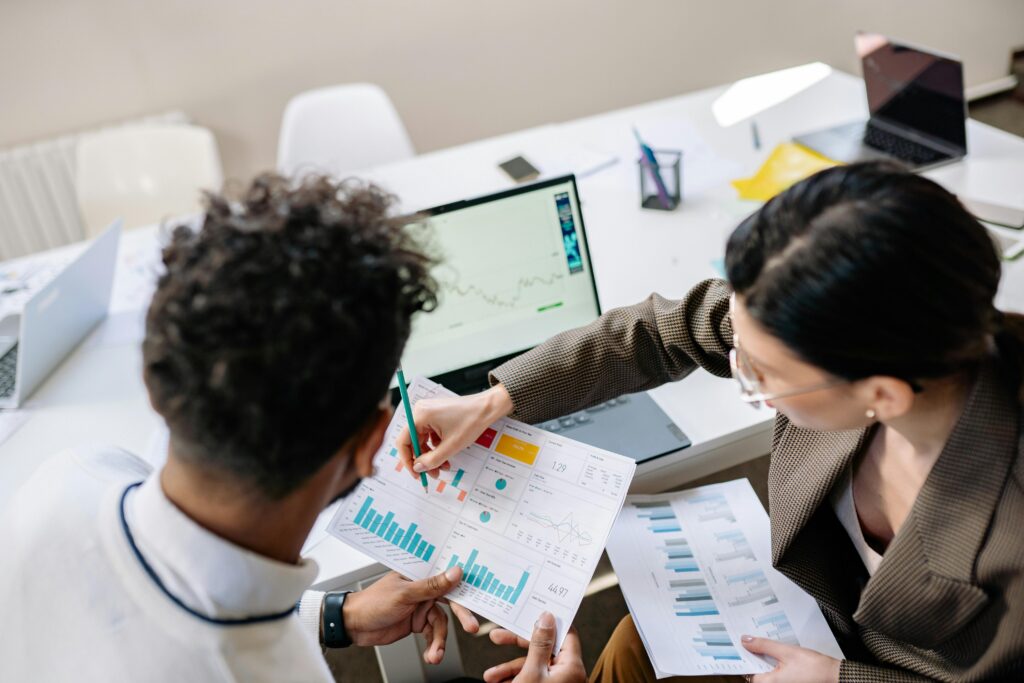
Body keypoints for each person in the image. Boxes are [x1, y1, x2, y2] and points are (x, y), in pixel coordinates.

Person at [397, 162, 1024, 682]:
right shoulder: (822, 323)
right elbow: (651, 334)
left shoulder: (1011, 532)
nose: (738, 364)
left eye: (760, 374)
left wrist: (840, 680)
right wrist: (490, 403)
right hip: (806, 616)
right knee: (632, 644)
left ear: (881, 395)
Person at [0, 174, 492, 681]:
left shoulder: (70, 477)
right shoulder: (281, 673)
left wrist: (332, 616)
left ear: (154, 382)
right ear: (373, 443)